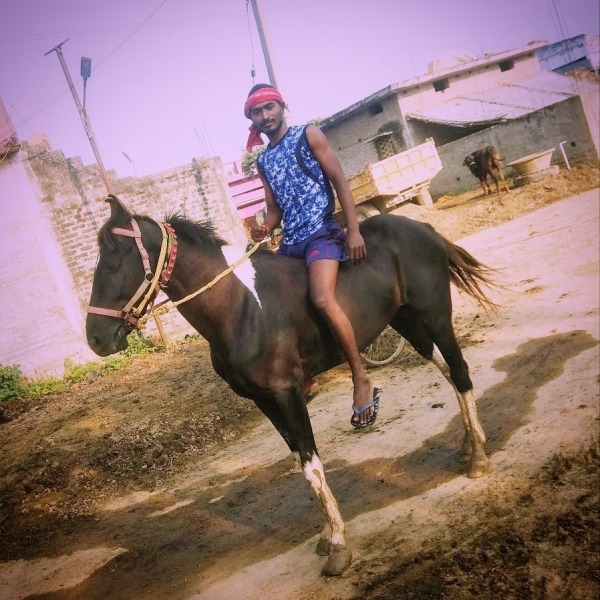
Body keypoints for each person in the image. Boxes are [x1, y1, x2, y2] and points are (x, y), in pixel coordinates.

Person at [245, 83, 381, 428]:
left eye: (270, 108)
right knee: (275, 302)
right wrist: (264, 227)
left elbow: (339, 181)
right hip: (291, 241)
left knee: (321, 299)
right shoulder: (264, 160)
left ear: (281, 106)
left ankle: (361, 377)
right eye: (258, 113)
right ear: (252, 119)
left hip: (322, 232)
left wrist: (353, 230)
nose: (265, 116)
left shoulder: (309, 134)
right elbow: (274, 210)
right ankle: (304, 375)